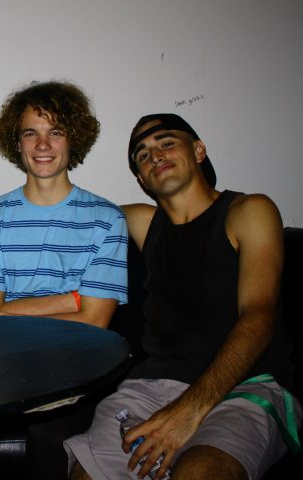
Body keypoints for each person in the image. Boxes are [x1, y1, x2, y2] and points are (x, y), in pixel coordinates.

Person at [64, 113, 302, 479]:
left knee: (201, 472)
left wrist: (189, 411)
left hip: (247, 385)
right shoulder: (144, 223)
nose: (155, 155)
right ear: (141, 179)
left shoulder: (248, 211)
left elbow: (259, 315)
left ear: (199, 150)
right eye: (143, 155)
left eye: (166, 143)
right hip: (150, 388)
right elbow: (45, 219)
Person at [0, 81, 128, 478]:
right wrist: (70, 299)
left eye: (55, 131)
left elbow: (95, 322)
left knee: (52, 440)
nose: (42, 144)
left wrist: (7, 312)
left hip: (75, 365)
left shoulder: (106, 219)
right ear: (16, 142)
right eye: (30, 133)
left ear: (74, 139)